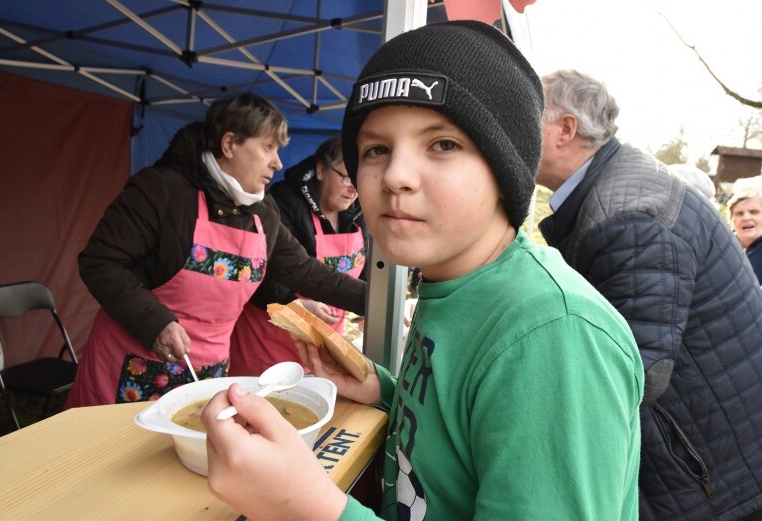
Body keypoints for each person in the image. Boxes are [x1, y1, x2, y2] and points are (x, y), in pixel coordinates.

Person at [200, 21, 644, 521]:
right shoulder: (449, 282)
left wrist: (311, 509)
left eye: (443, 144)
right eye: (375, 150)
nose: (394, 176)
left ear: (506, 166)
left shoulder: (551, 337)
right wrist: (386, 392)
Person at [536, 69, 762, 521]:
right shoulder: (618, 188)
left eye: (528, 116)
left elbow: (636, 369)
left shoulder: (628, 215)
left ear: (566, 130)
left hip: (708, 470)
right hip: (710, 449)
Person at [65, 93, 365, 407]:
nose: (277, 162)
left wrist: (370, 300)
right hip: (132, 364)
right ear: (229, 144)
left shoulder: (263, 211)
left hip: (209, 372)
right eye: (267, 148)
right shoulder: (162, 190)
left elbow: (304, 271)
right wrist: (154, 323)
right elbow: (101, 262)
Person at [229, 134, 368, 376]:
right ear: (321, 170)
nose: (353, 188)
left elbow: (367, 267)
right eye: (346, 177)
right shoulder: (282, 204)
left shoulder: (358, 215)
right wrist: (293, 305)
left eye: (359, 179)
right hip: (268, 342)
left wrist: (373, 305)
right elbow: (257, 271)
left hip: (325, 343)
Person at [728, 180, 762, 285]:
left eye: (754, 212)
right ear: (731, 221)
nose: (746, 217)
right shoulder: (727, 251)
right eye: (739, 213)